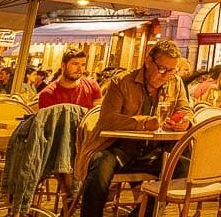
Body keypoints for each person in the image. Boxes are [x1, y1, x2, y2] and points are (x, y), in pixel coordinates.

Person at [80, 40, 192, 217]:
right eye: (163, 69)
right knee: (100, 165)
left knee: (184, 167)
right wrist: (143, 123)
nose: (167, 75)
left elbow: (185, 109)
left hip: (152, 151)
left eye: (172, 70)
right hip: (117, 148)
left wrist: (185, 120)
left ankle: (140, 214)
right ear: (148, 61)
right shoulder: (122, 82)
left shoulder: (174, 82)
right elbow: (108, 120)